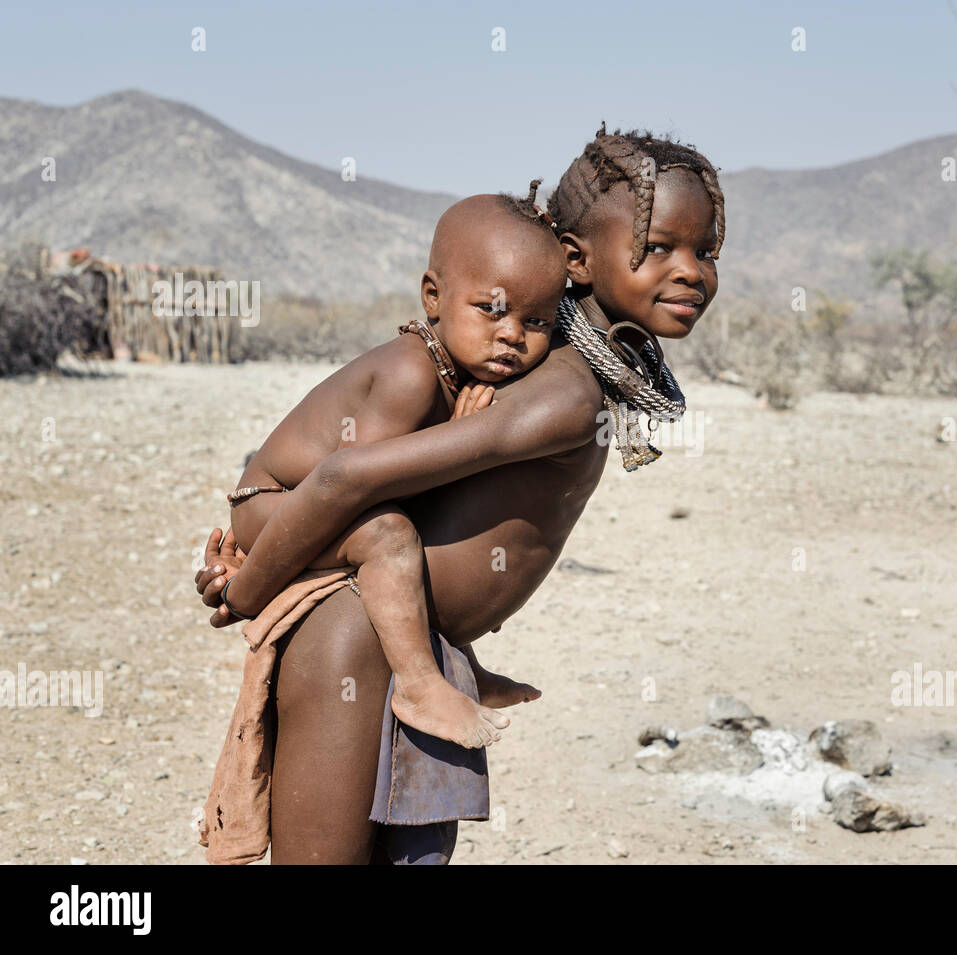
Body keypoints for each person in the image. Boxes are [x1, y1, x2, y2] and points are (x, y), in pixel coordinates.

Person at [196, 127, 725, 864]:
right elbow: (349, 476)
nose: (691, 271)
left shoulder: (542, 364)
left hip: (409, 648)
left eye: (706, 254)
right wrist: (246, 592)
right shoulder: (564, 391)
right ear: (577, 257)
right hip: (358, 645)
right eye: (660, 246)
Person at [225, 185, 561, 750]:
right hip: (273, 502)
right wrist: (247, 589)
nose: (512, 334)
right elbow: (358, 492)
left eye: (539, 322)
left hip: (314, 500)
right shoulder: (412, 374)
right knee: (389, 536)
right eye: (491, 309)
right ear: (433, 296)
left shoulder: (461, 373)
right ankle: (421, 685)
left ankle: (460, 664)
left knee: (415, 545)